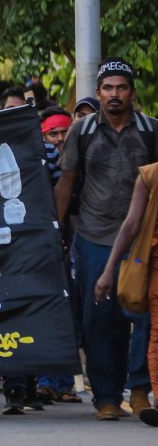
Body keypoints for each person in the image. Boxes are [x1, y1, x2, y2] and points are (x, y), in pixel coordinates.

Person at [54, 57, 158, 421]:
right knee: (99, 319)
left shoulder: (151, 130)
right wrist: (56, 231)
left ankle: (141, 390)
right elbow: (66, 183)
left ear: (132, 92)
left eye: (122, 87)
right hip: (94, 237)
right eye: (108, 88)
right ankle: (107, 396)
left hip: (142, 242)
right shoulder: (80, 131)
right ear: (98, 92)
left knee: (143, 317)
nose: (115, 94)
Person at [95, 160, 158, 426]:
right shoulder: (151, 174)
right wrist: (110, 269)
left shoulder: (151, 173)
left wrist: (109, 270)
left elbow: (132, 223)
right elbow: (132, 224)